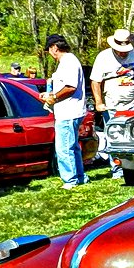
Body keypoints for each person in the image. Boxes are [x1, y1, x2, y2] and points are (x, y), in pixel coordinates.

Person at [90, 28, 134, 179]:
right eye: (120, 50)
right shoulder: (103, 57)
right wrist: (99, 102)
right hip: (113, 104)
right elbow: (95, 81)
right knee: (114, 135)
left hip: (133, 103)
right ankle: (117, 169)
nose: (123, 52)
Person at [40, 34, 87, 189]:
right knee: (72, 147)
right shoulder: (68, 61)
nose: (50, 54)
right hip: (71, 110)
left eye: (49, 50)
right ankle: (80, 177)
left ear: (54, 48)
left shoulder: (68, 61)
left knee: (64, 148)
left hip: (68, 112)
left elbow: (70, 87)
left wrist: (53, 96)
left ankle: (70, 180)